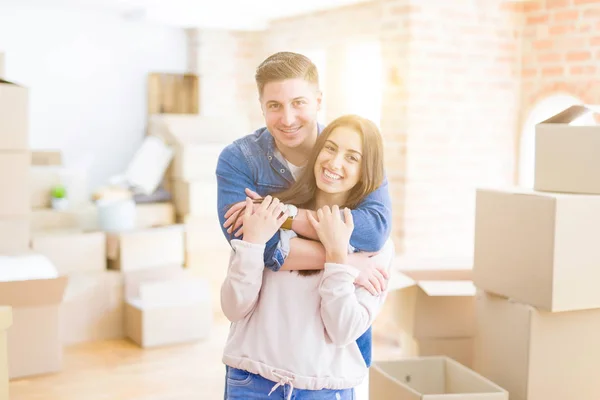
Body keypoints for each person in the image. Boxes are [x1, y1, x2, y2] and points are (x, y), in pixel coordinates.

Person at [221, 114, 395, 399]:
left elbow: (343, 330)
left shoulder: (376, 247)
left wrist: (338, 256)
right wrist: (252, 243)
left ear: (367, 172)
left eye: (352, 157)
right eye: (330, 148)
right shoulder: (274, 214)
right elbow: (233, 308)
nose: (334, 163)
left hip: (324, 390)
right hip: (251, 382)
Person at [216, 51, 393, 297]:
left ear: (319, 101)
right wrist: (344, 259)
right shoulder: (239, 159)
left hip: (345, 322)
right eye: (275, 106)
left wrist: (286, 215)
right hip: (275, 317)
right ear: (262, 107)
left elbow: (373, 232)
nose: (288, 119)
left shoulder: (355, 148)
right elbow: (253, 245)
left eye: (299, 102)